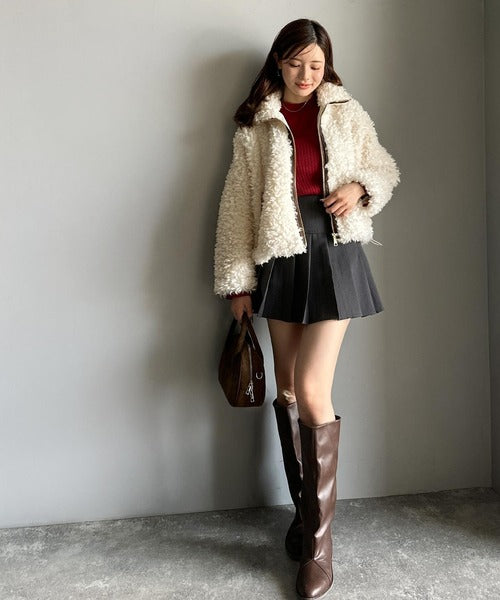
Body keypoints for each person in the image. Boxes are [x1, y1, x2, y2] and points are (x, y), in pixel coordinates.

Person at [213, 18, 400, 600]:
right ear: (278, 61)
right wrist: (236, 284)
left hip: (336, 253)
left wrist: (360, 189)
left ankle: (319, 548)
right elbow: (239, 204)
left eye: (316, 65)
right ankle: (304, 514)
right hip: (282, 256)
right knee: (289, 391)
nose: (306, 74)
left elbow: (384, 166)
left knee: (315, 391)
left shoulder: (345, 109)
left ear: (326, 66)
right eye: (296, 63)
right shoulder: (257, 123)